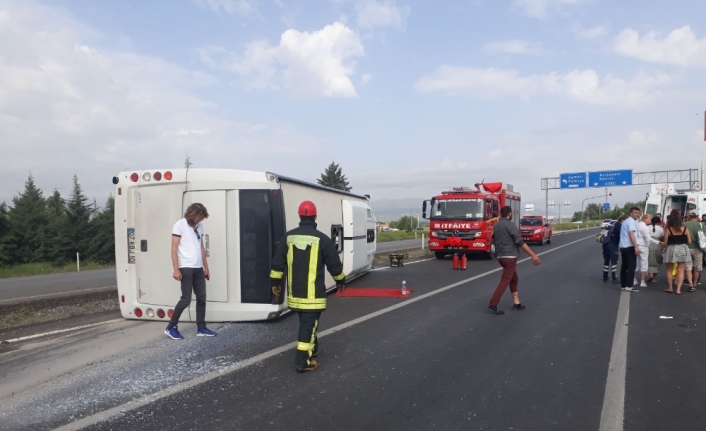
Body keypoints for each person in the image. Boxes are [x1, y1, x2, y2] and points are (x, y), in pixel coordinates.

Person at [270, 201, 346, 373]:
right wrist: (341, 281)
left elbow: (277, 264)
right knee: (308, 324)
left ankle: (314, 348)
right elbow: (335, 265)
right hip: (312, 296)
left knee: (307, 323)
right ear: (315, 216)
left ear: (299, 216)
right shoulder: (322, 239)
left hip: (295, 294)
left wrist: (275, 284)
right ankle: (302, 361)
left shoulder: (288, 238)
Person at [165, 203, 217, 340]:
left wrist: (206, 268)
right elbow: (174, 248)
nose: (201, 219)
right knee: (186, 299)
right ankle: (171, 327)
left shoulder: (200, 227)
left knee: (201, 298)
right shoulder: (179, 225)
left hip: (198, 267)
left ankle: (201, 328)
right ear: (192, 214)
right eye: (199, 216)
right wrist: (176, 269)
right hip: (186, 266)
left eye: (202, 217)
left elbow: (201, 248)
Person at [488, 206, 542, 315]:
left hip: (500, 257)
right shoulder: (510, 225)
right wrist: (533, 255)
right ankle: (493, 304)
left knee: (514, 278)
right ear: (509, 214)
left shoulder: (497, 225)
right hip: (510, 257)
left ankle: (516, 303)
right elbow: (520, 242)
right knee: (505, 280)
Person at [663, 214, 692, 294]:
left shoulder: (668, 229)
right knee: (681, 270)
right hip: (683, 249)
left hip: (672, 249)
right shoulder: (685, 228)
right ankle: (678, 289)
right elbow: (689, 241)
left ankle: (670, 288)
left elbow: (665, 242)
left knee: (669, 270)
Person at [619, 207, 641, 292]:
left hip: (623, 246)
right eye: (635, 212)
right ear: (630, 213)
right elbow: (631, 234)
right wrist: (636, 246)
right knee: (632, 266)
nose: (637, 214)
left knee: (624, 266)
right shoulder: (631, 221)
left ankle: (623, 285)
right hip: (629, 246)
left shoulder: (625, 221)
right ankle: (629, 285)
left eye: (638, 213)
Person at [683, 213, 704, 292]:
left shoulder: (684, 224)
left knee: (688, 267)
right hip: (698, 248)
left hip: (686, 247)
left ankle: (690, 284)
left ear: (689, 217)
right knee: (697, 268)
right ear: (697, 217)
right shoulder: (701, 225)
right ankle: (695, 284)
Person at [635, 213, 657, 288]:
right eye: (649, 219)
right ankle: (642, 281)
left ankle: (634, 279)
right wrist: (656, 242)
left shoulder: (637, 224)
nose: (650, 221)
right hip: (643, 246)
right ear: (644, 219)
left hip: (637, 245)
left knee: (637, 263)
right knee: (644, 264)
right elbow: (647, 239)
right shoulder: (645, 227)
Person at [647, 216, 665, 283]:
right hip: (658, 244)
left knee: (649, 259)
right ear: (659, 222)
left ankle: (650, 274)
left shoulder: (647, 227)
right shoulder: (661, 229)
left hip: (649, 244)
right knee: (657, 260)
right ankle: (654, 278)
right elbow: (662, 238)